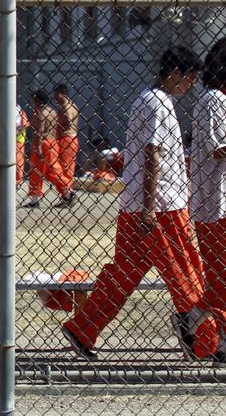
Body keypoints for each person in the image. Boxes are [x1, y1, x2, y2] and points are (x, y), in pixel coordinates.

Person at [63, 46, 213, 361]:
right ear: (176, 74)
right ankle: (200, 340)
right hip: (161, 206)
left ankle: (83, 328)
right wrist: (149, 206)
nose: (190, 86)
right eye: (190, 78)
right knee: (184, 270)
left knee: (124, 273)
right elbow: (152, 154)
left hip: (138, 204)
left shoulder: (146, 99)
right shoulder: (158, 103)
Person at [191, 41, 226, 363]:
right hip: (215, 204)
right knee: (220, 275)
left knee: (219, 277)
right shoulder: (213, 100)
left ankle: (196, 321)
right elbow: (219, 148)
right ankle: (209, 334)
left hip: (215, 202)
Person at [27, 89, 59, 208]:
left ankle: (35, 199)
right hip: (53, 141)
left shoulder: (40, 112)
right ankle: (66, 191)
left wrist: (39, 147)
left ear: (38, 101)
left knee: (36, 171)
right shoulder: (53, 112)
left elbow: (39, 131)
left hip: (42, 143)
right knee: (54, 169)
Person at [52, 83, 80, 207]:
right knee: (66, 169)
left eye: (57, 94)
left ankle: (68, 194)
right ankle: (66, 195)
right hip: (70, 139)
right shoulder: (72, 105)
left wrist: (59, 127)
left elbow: (68, 122)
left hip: (67, 139)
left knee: (64, 168)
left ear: (62, 94)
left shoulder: (66, 107)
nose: (55, 97)